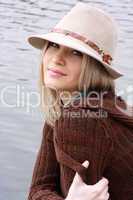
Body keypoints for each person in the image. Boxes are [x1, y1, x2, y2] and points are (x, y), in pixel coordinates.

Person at [27, 2, 133, 200]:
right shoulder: (87, 106)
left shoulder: (81, 119)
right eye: (54, 45)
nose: (57, 58)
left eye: (76, 52)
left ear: (93, 67)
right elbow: (39, 188)